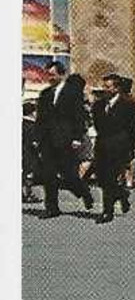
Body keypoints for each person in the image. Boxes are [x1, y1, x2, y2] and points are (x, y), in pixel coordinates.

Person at [35, 63, 94, 217]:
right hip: (48, 140)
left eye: (52, 74)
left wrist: (77, 137)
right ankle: (52, 208)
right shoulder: (45, 94)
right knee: (48, 175)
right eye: (48, 74)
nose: (50, 77)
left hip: (66, 140)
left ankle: (84, 192)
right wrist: (37, 138)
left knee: (69, 175)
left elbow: (78, 116)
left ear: (61, 75)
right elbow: (40, 119)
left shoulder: (72, 93)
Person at [91, 74, 135, 224]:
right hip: (102, 145)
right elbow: (98, 125)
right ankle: (122, 194)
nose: (105, 89)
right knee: (101, 178)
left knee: (110, 179)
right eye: (104, 86)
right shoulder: (98, 105)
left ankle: (107, 211)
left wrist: (127, 145)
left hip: (119, 147)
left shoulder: (127, 104)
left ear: (116, 88)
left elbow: (134, 128)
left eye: (108, 86)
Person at [21, 101, 41, 203]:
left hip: (22, 152)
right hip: (29, 153)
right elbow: (35, 143)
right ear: (32, 112)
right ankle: (28, 194)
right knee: (29, 174)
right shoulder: (32, 126)